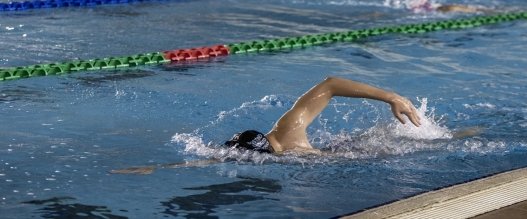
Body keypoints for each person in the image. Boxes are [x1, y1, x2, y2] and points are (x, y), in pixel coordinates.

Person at [110, 77, 420, 174]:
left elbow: (331, 84)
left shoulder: (290, 145)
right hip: (346, 148)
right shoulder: (286, 131)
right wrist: (163, 167)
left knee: (402, 144)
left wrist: (163, 167)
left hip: (356, 153)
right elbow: (330, 84)